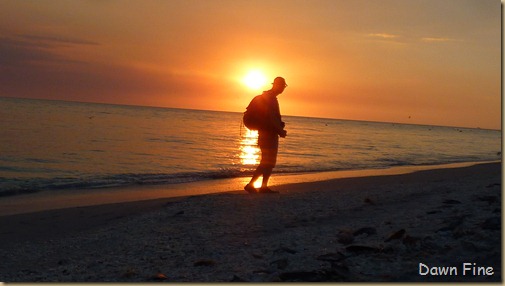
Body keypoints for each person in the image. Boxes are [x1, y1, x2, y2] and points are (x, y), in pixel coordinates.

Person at [245, 76, 288, 194]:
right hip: (268, 134)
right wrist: (280, 130)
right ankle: (252, 185)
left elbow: (271, 118)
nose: (283, 88)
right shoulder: (270, 98)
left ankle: (262, 186)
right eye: (282, 86)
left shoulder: (270, 97)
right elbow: (270, 118)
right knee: (267, 161)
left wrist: (279, 126)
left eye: (284, 86)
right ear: (275, 85)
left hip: (267, 133)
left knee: (268, 161)